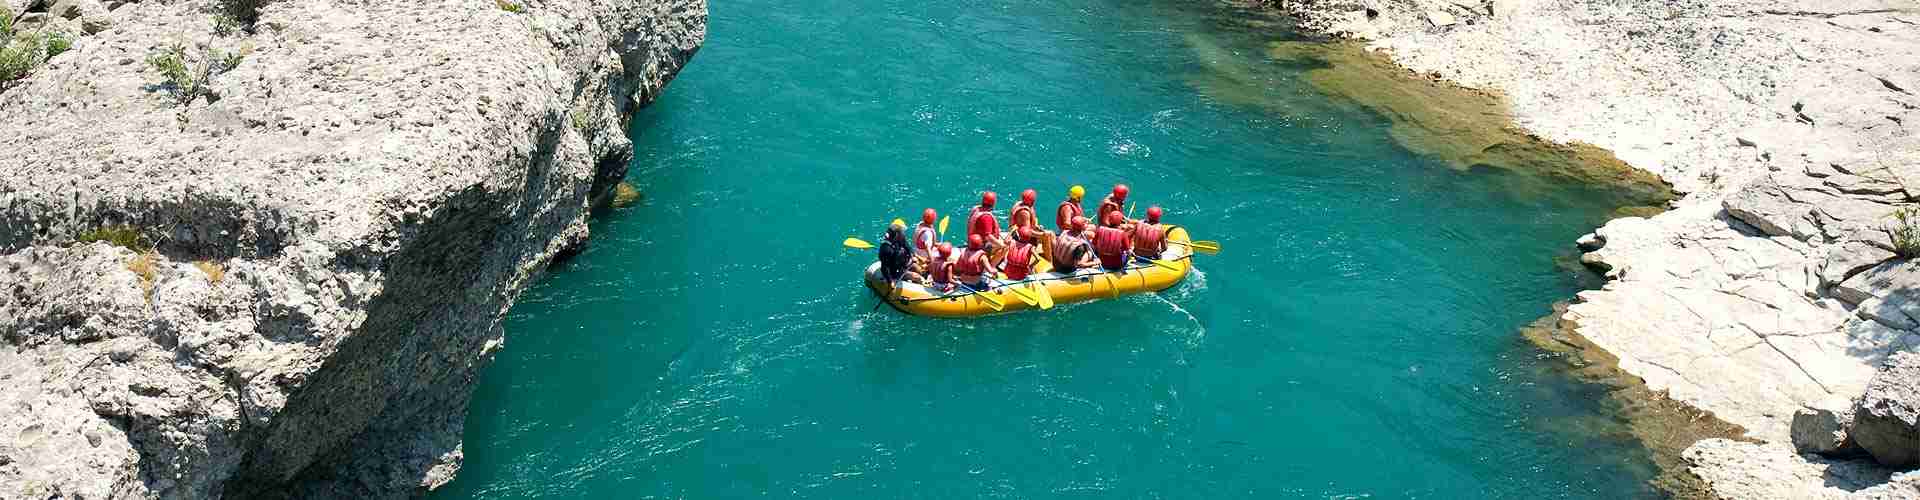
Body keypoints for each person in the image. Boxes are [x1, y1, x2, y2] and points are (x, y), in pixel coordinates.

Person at [967, 190, 1012, 260]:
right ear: (993, 203)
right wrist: (1001, 245)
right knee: (1005, 247)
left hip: (973, 242)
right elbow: (988, 237)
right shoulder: (986, 217)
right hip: (982, 246)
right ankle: (992, 265)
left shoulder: (976, 208)